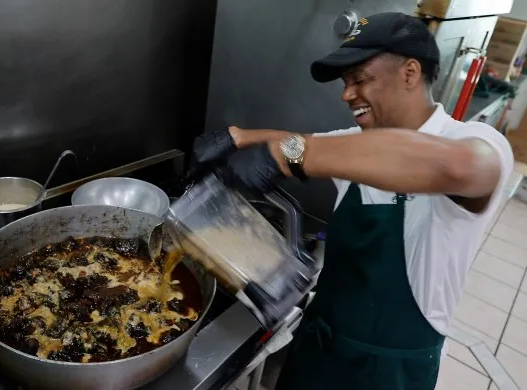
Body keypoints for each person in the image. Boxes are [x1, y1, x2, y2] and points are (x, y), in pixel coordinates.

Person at [187, 12, 514, 390]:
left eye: (361, 79)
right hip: (319, 343)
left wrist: (288, 155)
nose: (346, 94)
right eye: (345, 83)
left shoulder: (474, 142)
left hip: (386, 369)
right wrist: (237, 136)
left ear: (410, 73)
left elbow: (460, 168)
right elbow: (302, 138)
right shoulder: (357, 143)